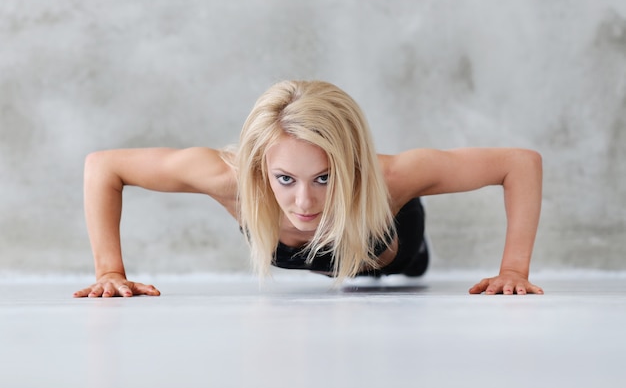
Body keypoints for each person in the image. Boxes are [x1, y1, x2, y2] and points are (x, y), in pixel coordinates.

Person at [73, 80, 544, 298]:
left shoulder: (391, 178)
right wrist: (109, 271)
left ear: (352, 163)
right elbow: (104, 167)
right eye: (285, 179)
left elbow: (519, 164)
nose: (305, 202)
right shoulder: (230, 180)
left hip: (394, 252)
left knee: (411, 267)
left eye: (325, 177)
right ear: (260, 167)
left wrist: (514, 270)